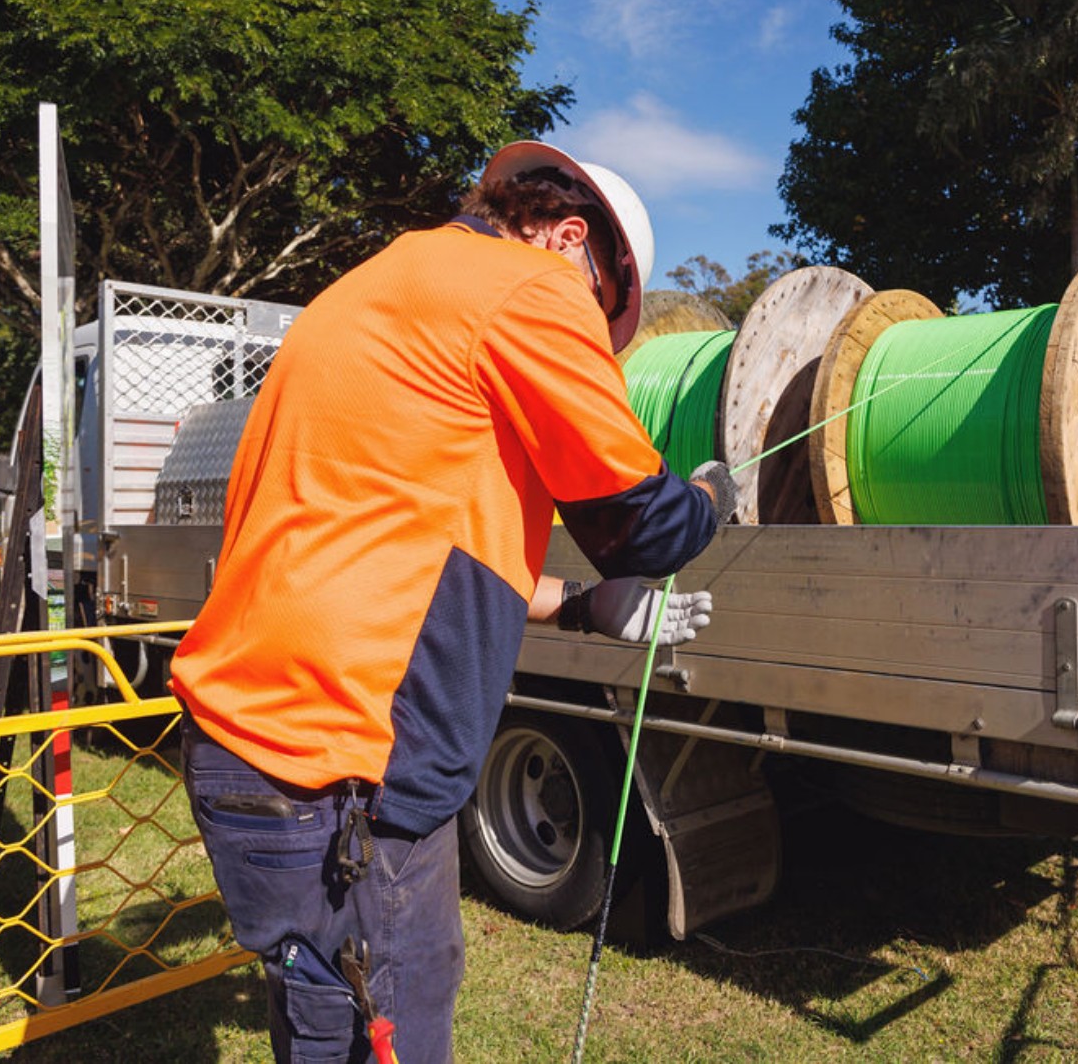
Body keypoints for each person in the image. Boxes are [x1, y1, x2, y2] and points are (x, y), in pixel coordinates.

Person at [169, 141, 737, 1064]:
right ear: (566, 237)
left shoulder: (384, 288)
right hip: (338, 774)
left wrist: (590, 609)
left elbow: (413, 552)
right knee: (375, 1030)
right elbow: (643, 524)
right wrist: (712, 500)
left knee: (362, 1002)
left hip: (275, 749)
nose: (587, 340)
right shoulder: (525, 284)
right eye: (598, 311)